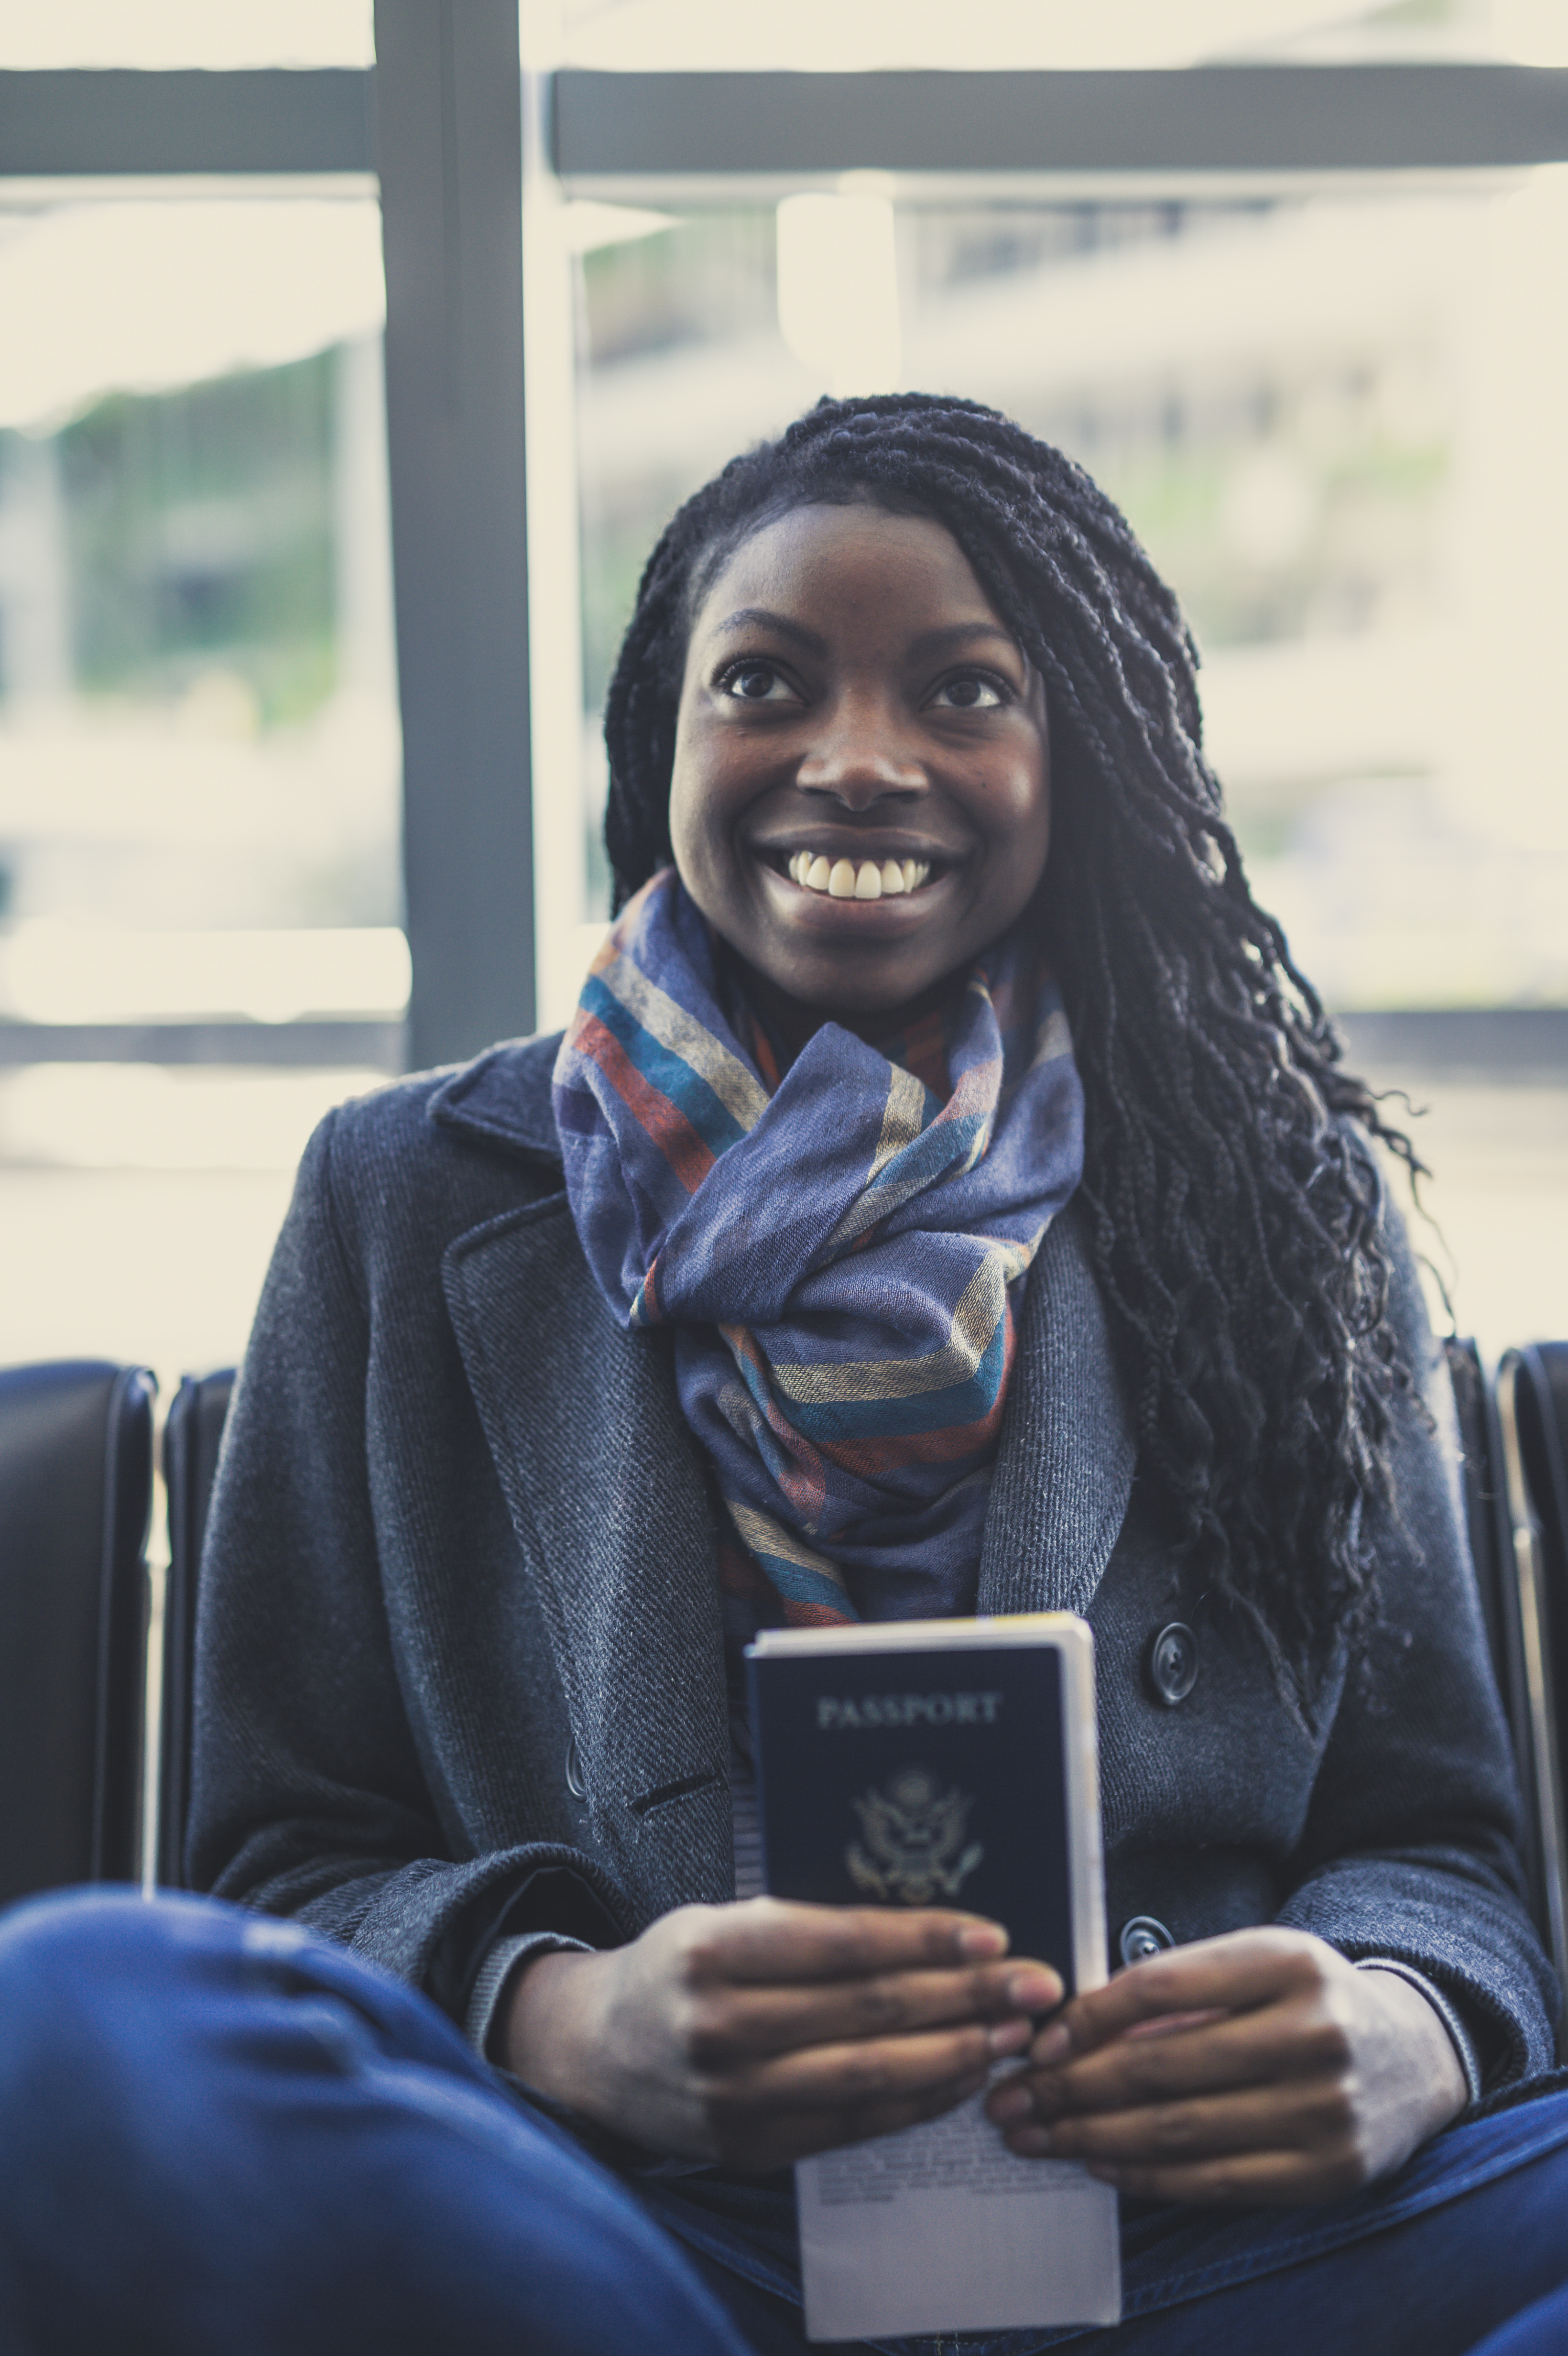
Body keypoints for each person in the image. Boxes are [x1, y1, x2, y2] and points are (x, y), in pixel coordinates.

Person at [3, 393, 1568, 2356]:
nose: (856, 760)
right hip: (632, 2233)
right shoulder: (401, 1201)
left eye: (963, 691)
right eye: (764, 681)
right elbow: (275, 1861)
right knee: (55, 2018)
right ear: (662, 731)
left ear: (1070, 758)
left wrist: (1406, 2021)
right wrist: (569, 2014)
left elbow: (1442, 1844)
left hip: (1217, 2248)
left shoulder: (1277, 1201)